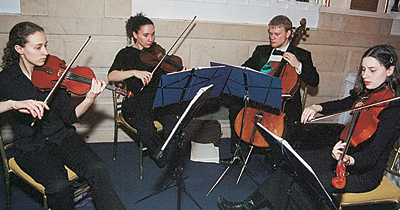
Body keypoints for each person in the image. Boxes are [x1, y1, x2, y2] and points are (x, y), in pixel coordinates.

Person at [217, 44, 400, 209]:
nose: (365, 75)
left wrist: (349, 160)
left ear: (390, 71)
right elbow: (343, 103)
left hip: (362, 171)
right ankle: (249, 205)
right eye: (363, 69)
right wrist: (317, 107)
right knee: (293, 162)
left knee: (302, 185)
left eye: (372, 70)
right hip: (342, 154)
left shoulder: (392, 109)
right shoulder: (367, 96)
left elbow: (372, 156)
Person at [0, 21, 126, 210]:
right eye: (38, 47)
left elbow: (70, 117)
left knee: (98, 168)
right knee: (59, 187)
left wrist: (89, 98)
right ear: (19, 49)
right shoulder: (7, 78)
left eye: (46, 45)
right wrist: (12, 104)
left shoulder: (54, 73)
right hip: (32, 146)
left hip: (63, 136)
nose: (45, 52)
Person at [227, 15, 319, 155]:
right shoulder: (261, 50)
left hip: (285, 102)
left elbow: (314, 81)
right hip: (259, 97)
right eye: (270, 34)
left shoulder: (302, 55)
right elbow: (245, 69)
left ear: (288, 34)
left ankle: (278, 157)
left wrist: (298, 66)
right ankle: (238, 153)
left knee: (290, 120)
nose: (272, 37)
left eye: (277, 34)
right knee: (235, 107)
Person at [108, 13, 181, 168]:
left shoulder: (156, 53)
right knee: (147, 127)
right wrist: (134, 72)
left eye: (153, 34)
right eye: (146, 35)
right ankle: (161, 156)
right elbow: (111, 75)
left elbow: (169, 71)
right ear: (135, 34)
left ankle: (169, 154)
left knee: (173, 123)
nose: (151, 39)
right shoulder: (125, 53)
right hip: (136, 102)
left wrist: (181, 71)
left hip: (157, 100)